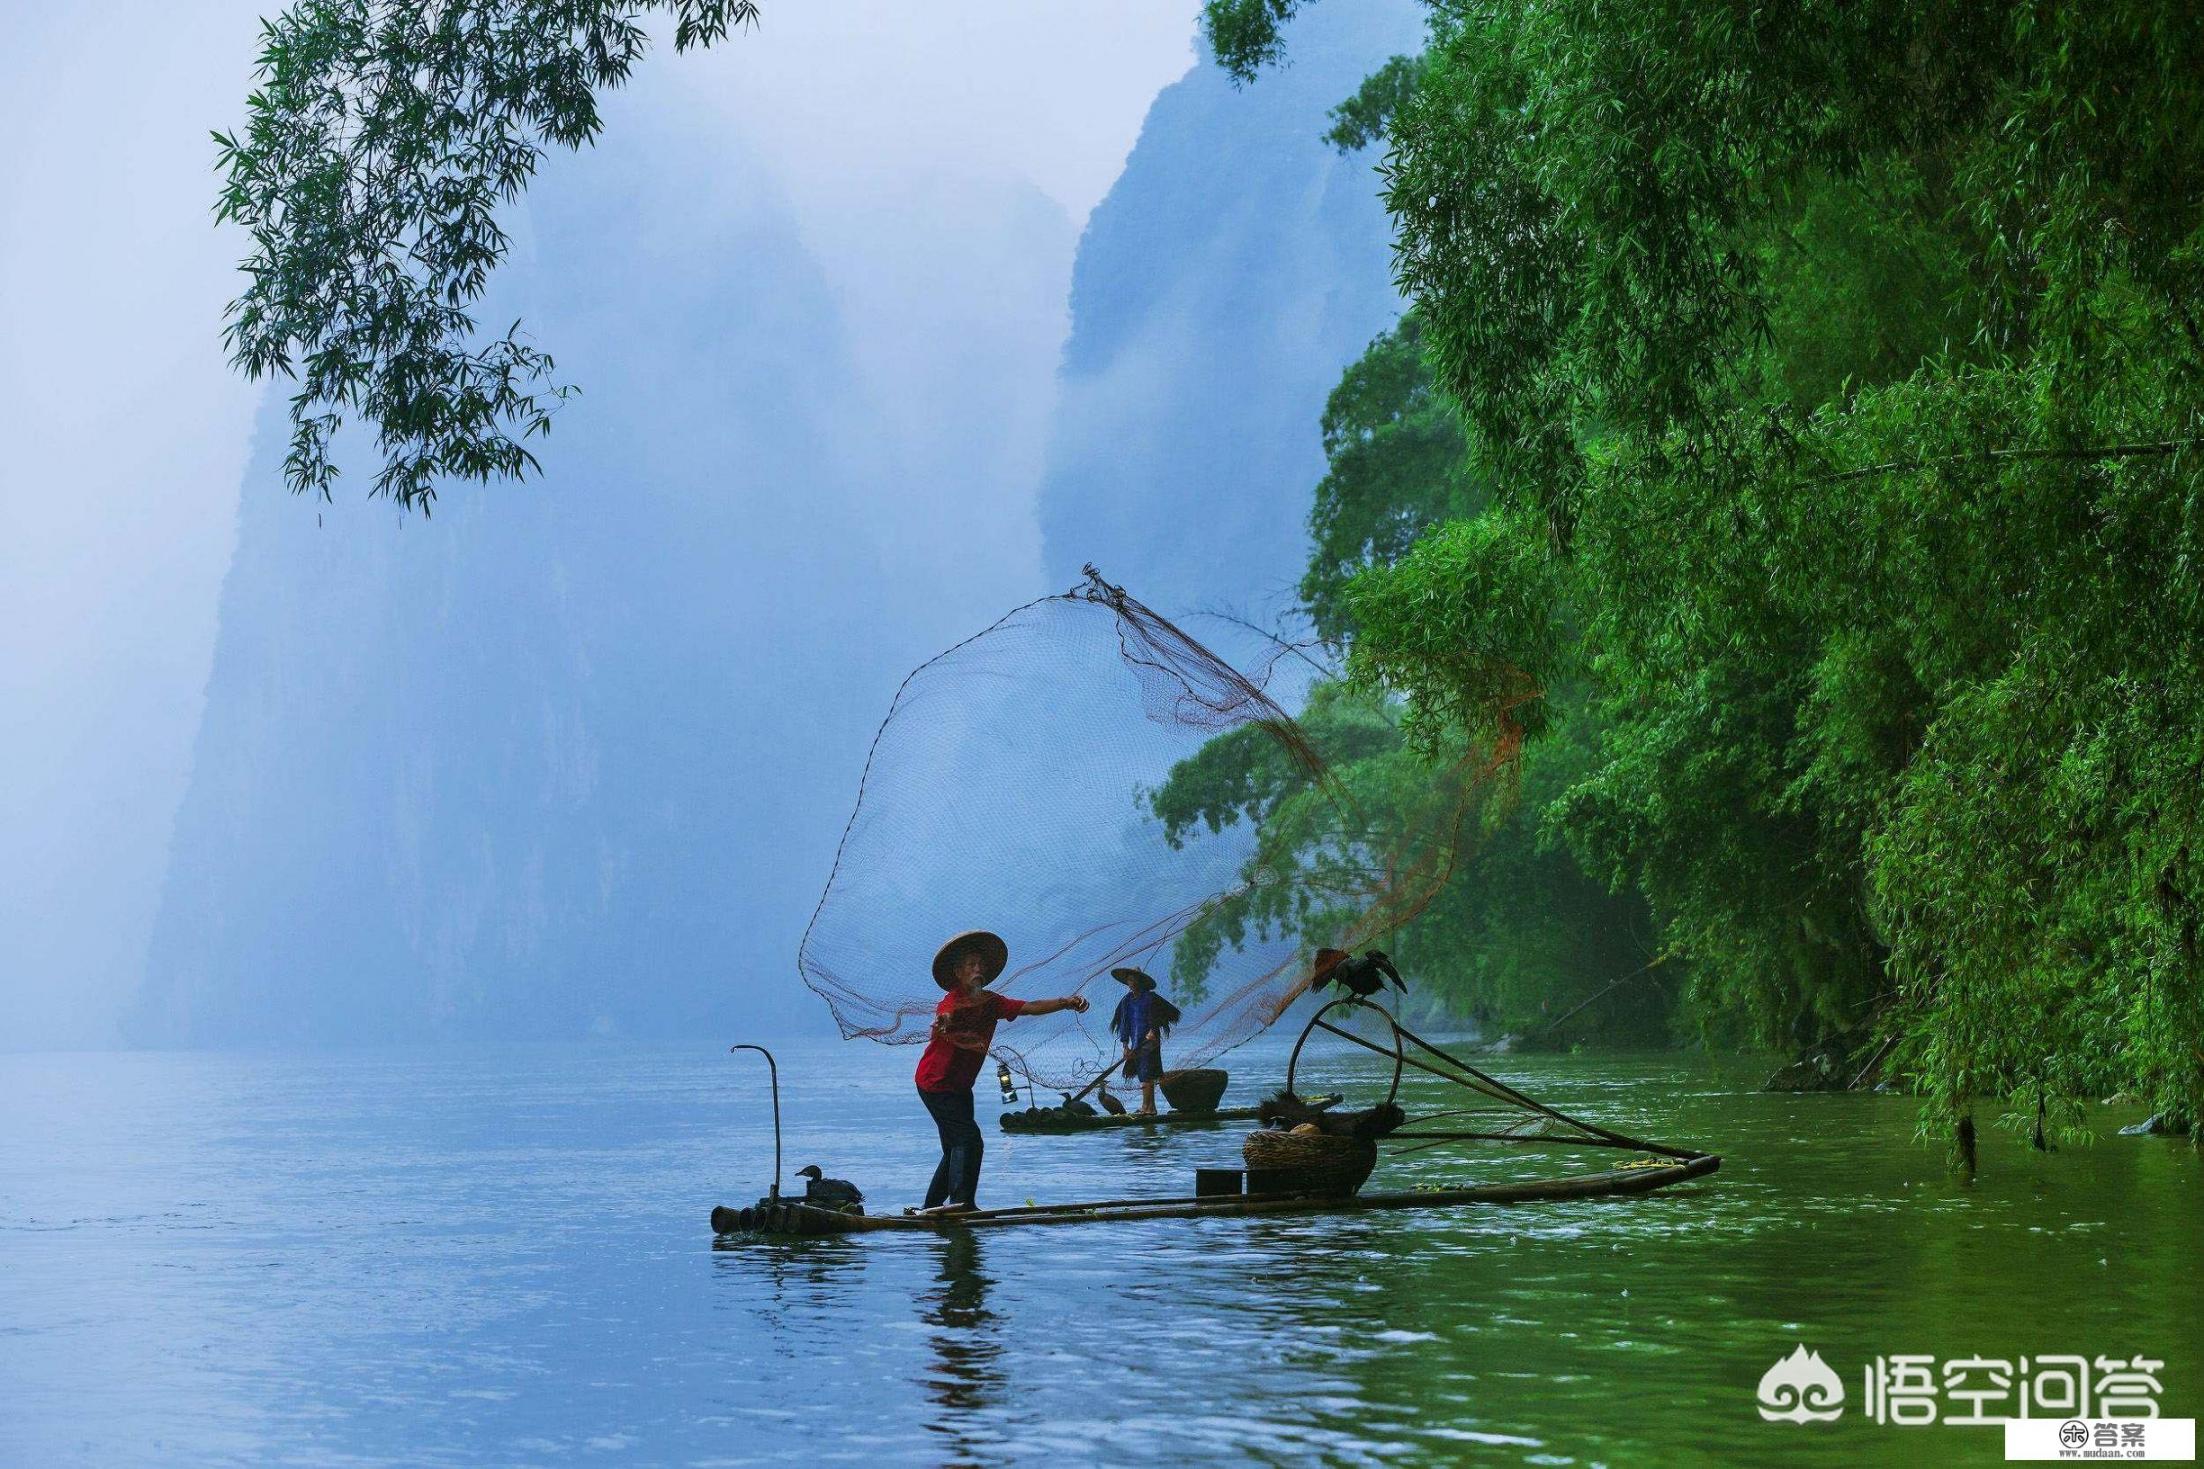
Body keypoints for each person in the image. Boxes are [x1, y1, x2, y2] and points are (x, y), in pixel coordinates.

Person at [913, 930, 1088, 1215]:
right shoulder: (951, 1000)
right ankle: (961, 1203)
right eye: (970, 965)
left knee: (955, 1146)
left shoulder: (993, 1002)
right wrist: (944, 1022)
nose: (977, 969)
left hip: (959, 1087)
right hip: (935, 1083)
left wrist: (1066, 1002)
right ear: (958, 973)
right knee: (969, 1141)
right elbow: (944, 1013)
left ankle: (932, 1206)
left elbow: (1030, 1007)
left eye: (980, 964)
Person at [1108, 966, 1182, 1116]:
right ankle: (1150, 1108)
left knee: (1146, 1073)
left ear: (1140, 981)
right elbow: (1124, 1023)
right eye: (1129, 979)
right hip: (1136, 1042)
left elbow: (1165, 1014)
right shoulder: (1127, 1001)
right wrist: (1125, 1045)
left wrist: (1153, 1030)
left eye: (1134, 979)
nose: (1132, 982)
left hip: (1150, 1042)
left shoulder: (1150, 997)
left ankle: (1146, 1108)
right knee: (1144, 1074)